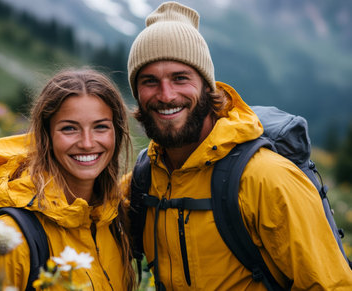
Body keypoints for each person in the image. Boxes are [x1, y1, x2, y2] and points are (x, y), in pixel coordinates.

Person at [127, 1, 352, 290]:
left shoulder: (265, 178)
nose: (166, 95)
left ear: (208, 87)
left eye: (180, 78)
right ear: (137, 94)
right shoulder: (143, 181)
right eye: (149, 81)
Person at [0, 68, 136, 290]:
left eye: (100, 127)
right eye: (69, 128)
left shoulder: (113, 218)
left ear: (116, 132)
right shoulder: (11, 238)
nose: (87, 143)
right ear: (45, 136)